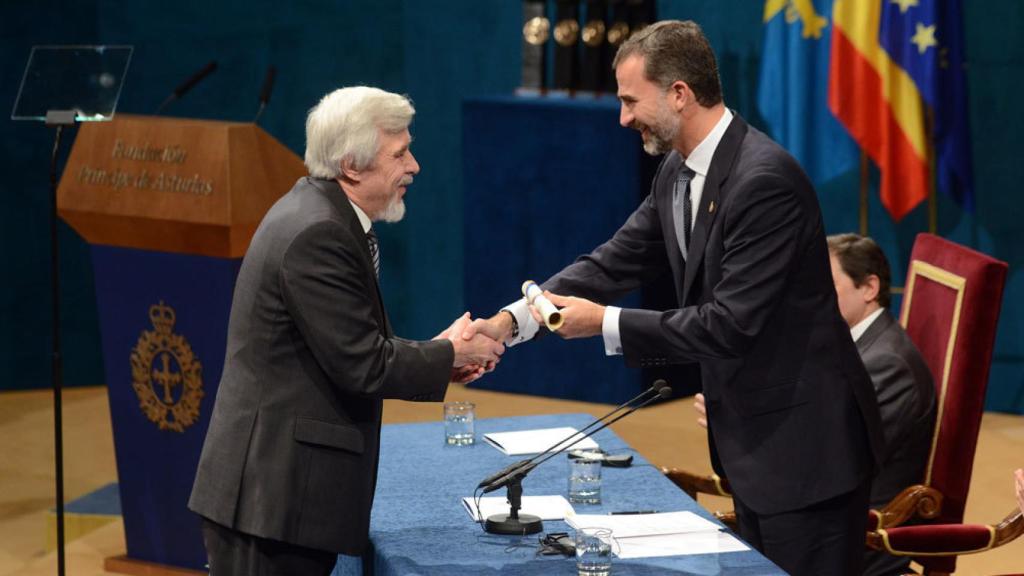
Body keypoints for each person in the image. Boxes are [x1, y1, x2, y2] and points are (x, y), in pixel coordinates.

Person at [464, 20, 883, 576]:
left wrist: (605, 323)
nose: (623, 117)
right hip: (756, 447)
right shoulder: (676, 171)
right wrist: (512, 322)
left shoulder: (764, 181)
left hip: (805, 455)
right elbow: (614, 261)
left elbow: (729, 325)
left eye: (631, 100)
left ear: (679, 93)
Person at [188, 86, 504, 576]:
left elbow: (347, 343)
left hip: (278, 496)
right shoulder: (319, 232)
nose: (414, 166)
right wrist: (448, 354)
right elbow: (363, 363)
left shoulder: (320, 211)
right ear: (352, 166)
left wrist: (444, 352)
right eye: (399, 154)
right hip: (270, 501)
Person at [696, 232, 936, 576]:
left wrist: (740, 423)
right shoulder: (848, 344)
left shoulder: (887, 363)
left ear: (868, 288)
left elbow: (832, 452)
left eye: (825, 285)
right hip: (821, 510)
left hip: (858, 535)